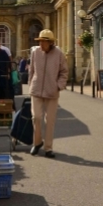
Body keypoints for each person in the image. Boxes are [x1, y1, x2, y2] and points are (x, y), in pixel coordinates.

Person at [28, 29, 68, 158]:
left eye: (43, 42)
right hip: (36, 89)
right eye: (39, 41)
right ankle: (37, 142)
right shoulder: (35, 53)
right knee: (36, 117)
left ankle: (48, 148)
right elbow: (31, 71)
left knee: (49, 120)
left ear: (50, 42)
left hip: (52, 91)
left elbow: (64, 72)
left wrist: (58, 86)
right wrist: (30, 85)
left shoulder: (59, 54)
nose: (41, 44)